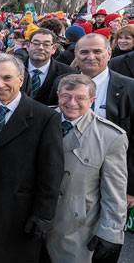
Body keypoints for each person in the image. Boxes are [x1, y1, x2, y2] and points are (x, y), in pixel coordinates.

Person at [0, 54, 63, 263]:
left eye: (7, 78)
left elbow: (51, 170)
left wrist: (43, 214)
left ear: (21, 80)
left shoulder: (44, 117)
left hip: (18, 210)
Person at [43, 74, 128, 263]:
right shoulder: (40, 120)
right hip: (36, 222)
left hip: (76, 229)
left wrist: (110, 233)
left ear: (92, 101)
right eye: (66, 96)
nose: (72, 103)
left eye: (80, 98)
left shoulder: (110, 137)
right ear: (58, 95)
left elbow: (114, 192)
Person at [49, 33, 134, 213]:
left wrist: (131, 188)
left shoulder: (129, 88)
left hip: (111, 176)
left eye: (97, 52)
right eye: (84, 52)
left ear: (109, 54)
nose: (90, 57)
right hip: (66, 177)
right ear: (76, 55)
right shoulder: (61, 82)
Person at [25, 29, 77, 105]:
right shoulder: (14, 67)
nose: (40, 48)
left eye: (46, 44)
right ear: (28, 46)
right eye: (36, 43)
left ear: (54, 48)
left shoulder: (68, 74)